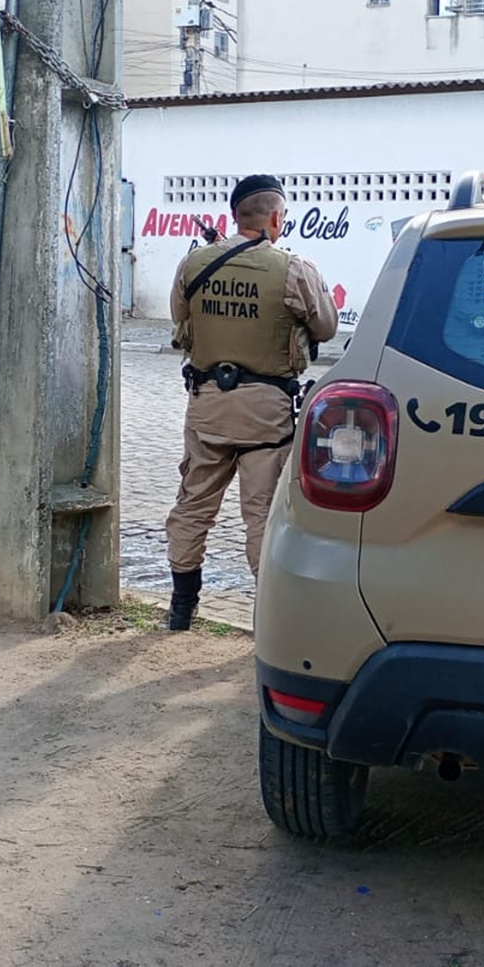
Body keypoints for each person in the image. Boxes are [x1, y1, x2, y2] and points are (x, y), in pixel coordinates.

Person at [163, 174, 338, 631]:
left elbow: (180, 317)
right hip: (267, 414)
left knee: (193, 506)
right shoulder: (294, 269)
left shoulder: (193, 264)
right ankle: (270, 619)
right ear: (276, 217)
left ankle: (181, 609)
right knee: (261, 514)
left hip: (207, 408)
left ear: (234, 216)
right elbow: (326, 327)